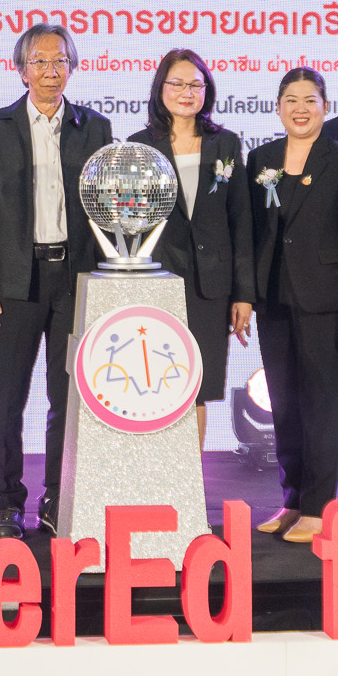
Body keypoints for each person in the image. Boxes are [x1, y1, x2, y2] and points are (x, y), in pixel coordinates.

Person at [0, 23, 114, 540]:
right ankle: (8, 502)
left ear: (73, 67)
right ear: (21, 69)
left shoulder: (95, 127)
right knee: (8, 395)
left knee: (67, 396)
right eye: (40, 61)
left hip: (74, 279)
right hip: (13, 282)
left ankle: (57, 495)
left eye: (60, 61)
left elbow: (105, 209)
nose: (51, 71)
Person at [245, 68, 338, 545]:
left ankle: (318, 509)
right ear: (278, 107)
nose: (300, 109)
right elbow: (251, 233)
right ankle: (293, 501)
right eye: (291, 100)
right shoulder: (261, 158)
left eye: (310, 100)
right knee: (284, 405)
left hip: (327, 302)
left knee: (320, 406)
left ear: (325, 106)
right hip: (273, 299)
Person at [127, 50, 252, 449]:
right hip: (156, 281)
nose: (187, 92)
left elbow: (241, 222)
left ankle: (191, 477)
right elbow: (130, 224)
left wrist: (244, 295)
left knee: (197, 384)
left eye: (196, 85)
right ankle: (156, 473)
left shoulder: (225, 144)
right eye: (178, 84)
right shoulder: (139, 146)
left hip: (210, 287)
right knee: (155, 382)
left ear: (207, 91)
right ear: (160, 89)